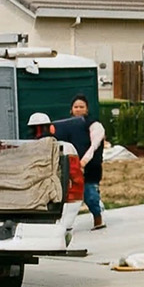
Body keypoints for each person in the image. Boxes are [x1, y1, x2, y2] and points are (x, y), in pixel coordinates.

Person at [64, 95, 106, 230]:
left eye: (81, 107)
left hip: (90, 167)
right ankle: (65, 226)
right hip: (70, 167)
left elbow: (94, 146)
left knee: (90, 194)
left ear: (87, 109)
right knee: (67, 198)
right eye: (76, 107)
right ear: (71, 109)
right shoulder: (66, 125)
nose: (78, 109)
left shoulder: (94, 125)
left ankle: (98, 219)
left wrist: (83, 163)